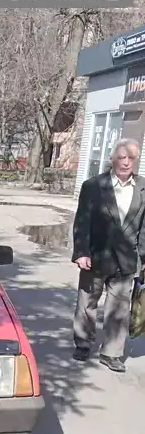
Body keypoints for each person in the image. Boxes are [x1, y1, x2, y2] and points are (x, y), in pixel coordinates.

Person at [72, 138, 145, 373]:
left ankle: (111, 352)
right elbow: (82, 221)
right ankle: (83, 342)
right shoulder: (93, 185)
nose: (126, 162)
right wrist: (81, 252)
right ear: (113, 159)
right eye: (122, 157)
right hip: (96, 255)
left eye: (131, 158)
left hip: (126, 259)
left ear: (137, 160)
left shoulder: (143, 187)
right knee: (87, 301)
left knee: (120, 308)